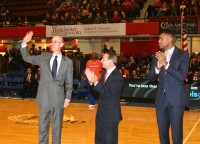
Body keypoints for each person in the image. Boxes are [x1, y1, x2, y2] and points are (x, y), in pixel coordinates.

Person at [20, 31, 73, 144]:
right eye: (51, 41)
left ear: (61, 45)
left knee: (57, 128)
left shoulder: (68, 62)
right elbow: (26, 57)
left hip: (58, 99)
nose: (52, 43)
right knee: (43, 128)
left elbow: (69, 82)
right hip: (44, 98)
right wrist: (24, 42)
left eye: (55, 42)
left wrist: (67, 98)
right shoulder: (44, 56)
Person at [147, 30, 189, 144]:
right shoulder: (157, 56)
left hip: (176, 100)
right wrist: (157, 68)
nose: (158, 41)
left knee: (176, 134)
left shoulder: (182, 54)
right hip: (161, 100)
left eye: (161, 38)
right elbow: (150, 77)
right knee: (162, 134)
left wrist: (166, 64)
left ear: (170, 39)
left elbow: (181, 76)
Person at [85, 51, 124, 144]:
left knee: (110, 141)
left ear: (110, 61)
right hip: (101, 114)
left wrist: (96, 82)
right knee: (99, 140)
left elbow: (108, 93)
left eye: (103, 59)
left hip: (111, 116)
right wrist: (91, 81)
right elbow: (98, 91)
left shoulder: (118, 77)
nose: (101, 61)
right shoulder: (104, 74)